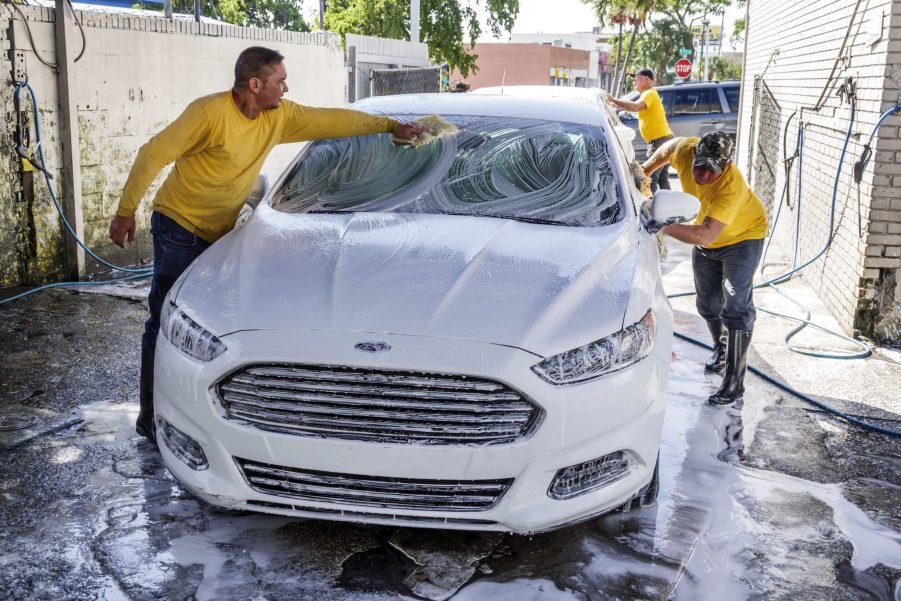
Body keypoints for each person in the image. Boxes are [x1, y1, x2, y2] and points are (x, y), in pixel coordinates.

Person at [109, 46, 426, 444]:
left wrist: (388, 125)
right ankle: (152, 420)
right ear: (255, 84)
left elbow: (332, 120)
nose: (286, 87)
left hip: (223, 233)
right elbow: (151, 153)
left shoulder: (279, 116)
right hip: (179, 227)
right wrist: (125, 212)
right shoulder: (208, 113)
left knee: (212, 332)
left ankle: (211, 418)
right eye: (279, 80)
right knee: (165, 322)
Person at [642, 132, 768, 405]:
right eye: (700, 165)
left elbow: (705, 235)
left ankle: (735, 380)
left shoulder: (730, 187)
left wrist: (661, 224)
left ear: (727, 165)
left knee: (737, 304)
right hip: (708, 238)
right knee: (708, 303)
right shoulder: (687, 150)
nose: (703, 175)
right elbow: (667, 149)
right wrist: (644, 172)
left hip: (742, 238)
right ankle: (721, 348)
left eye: (712, 170)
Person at [603, 68, 673, 193]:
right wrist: (615, 104)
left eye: (637, 77)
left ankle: (650, 207)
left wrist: (613, 99)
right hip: (665, 139)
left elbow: (635, 107)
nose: (634, 80)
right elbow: (633, 107)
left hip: (659, 141)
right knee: (662, 178)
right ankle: (668, 208)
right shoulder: (649, 94)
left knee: (649, 176)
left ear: (647, 79)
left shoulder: (649, 93)